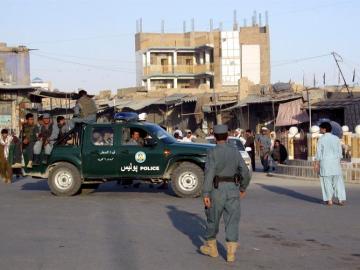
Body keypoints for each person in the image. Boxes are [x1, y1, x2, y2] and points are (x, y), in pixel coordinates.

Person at [200, 124, 251, 263]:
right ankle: (231, 254)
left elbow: (209, 173)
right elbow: (245, 172)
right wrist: (242, 188)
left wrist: (205, 193)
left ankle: (212, 249)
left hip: (216, 190)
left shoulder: (212, 152)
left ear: (215, 137)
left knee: (213, 219)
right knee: (232, 220)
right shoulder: (235, 151)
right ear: (227, 136)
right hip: (233, 189)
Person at [314, 122, 346, 206]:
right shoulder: (336, 138)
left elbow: (319, 153)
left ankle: (329, 200)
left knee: (326, 182)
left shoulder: (321, 139)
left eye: (320, 128)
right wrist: (338, 162)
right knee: (338, 182)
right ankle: (340, 199)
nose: (319, 130)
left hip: (325, 163)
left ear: (324, 129)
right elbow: (340, 152)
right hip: (335, 163)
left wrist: (316, 164)